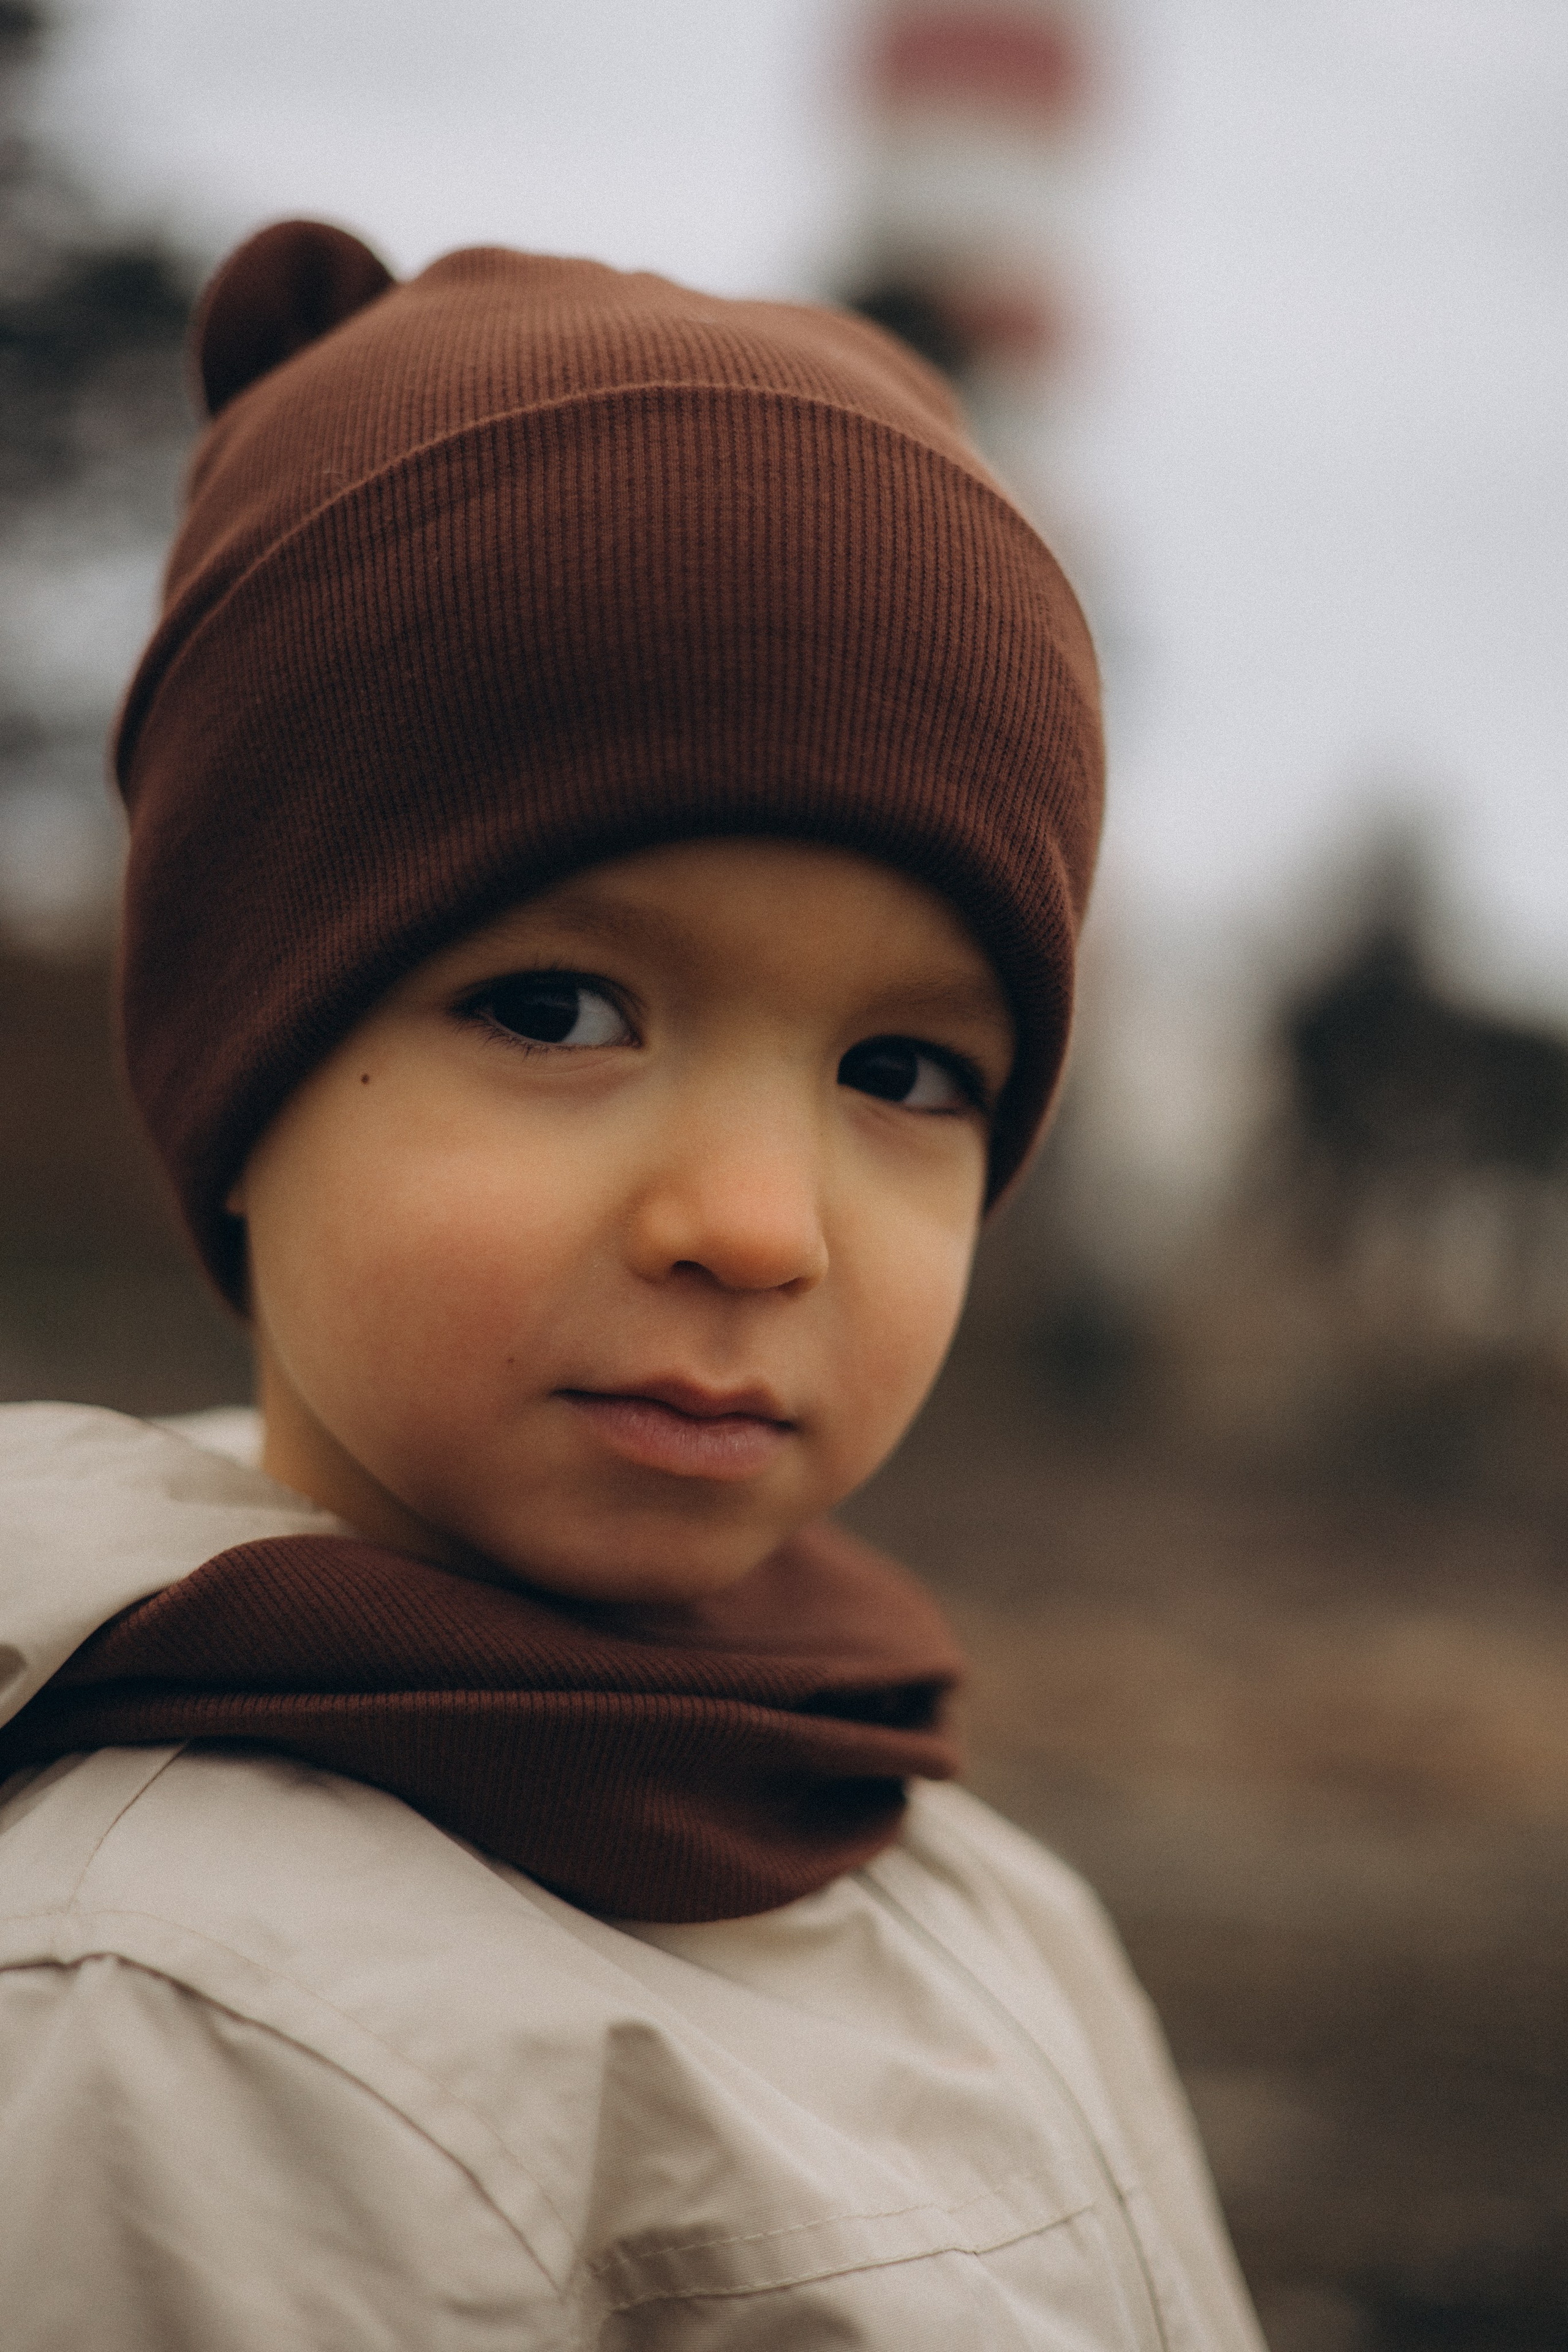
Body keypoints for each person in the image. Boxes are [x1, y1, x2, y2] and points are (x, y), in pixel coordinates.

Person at [0, 221, 1264, 2349]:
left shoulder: (927, 1849)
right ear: (240, 1053)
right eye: (560, 1010)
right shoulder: (179, 2021)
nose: (760, 1226)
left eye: (901, 1072)